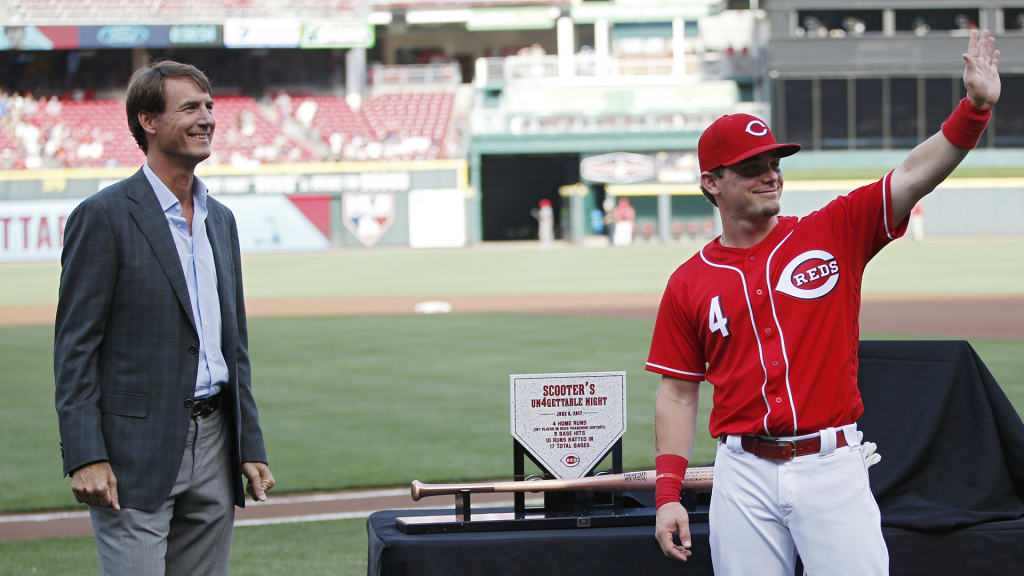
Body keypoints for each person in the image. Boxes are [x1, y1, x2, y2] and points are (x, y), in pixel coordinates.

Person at [647, 30, 1000, 575]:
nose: (770, 173)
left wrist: (974, 109)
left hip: (831, 464)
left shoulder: (833, 231)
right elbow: (676, 392)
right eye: (751, 166)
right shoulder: (689, 281)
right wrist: (669, 490)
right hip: (741, 473)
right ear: (712, 183)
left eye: (775, 161)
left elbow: (911, 176)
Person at [54, 60, 275, 576]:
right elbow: (75, 348)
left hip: (216, 441)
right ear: (148, 121)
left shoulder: (221, 220)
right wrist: (86, 453)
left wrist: (249, 444)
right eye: (190, 108)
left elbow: (232, 345)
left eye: (210, 107)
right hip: (136, 451)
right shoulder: (103, 216)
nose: (207, 119)